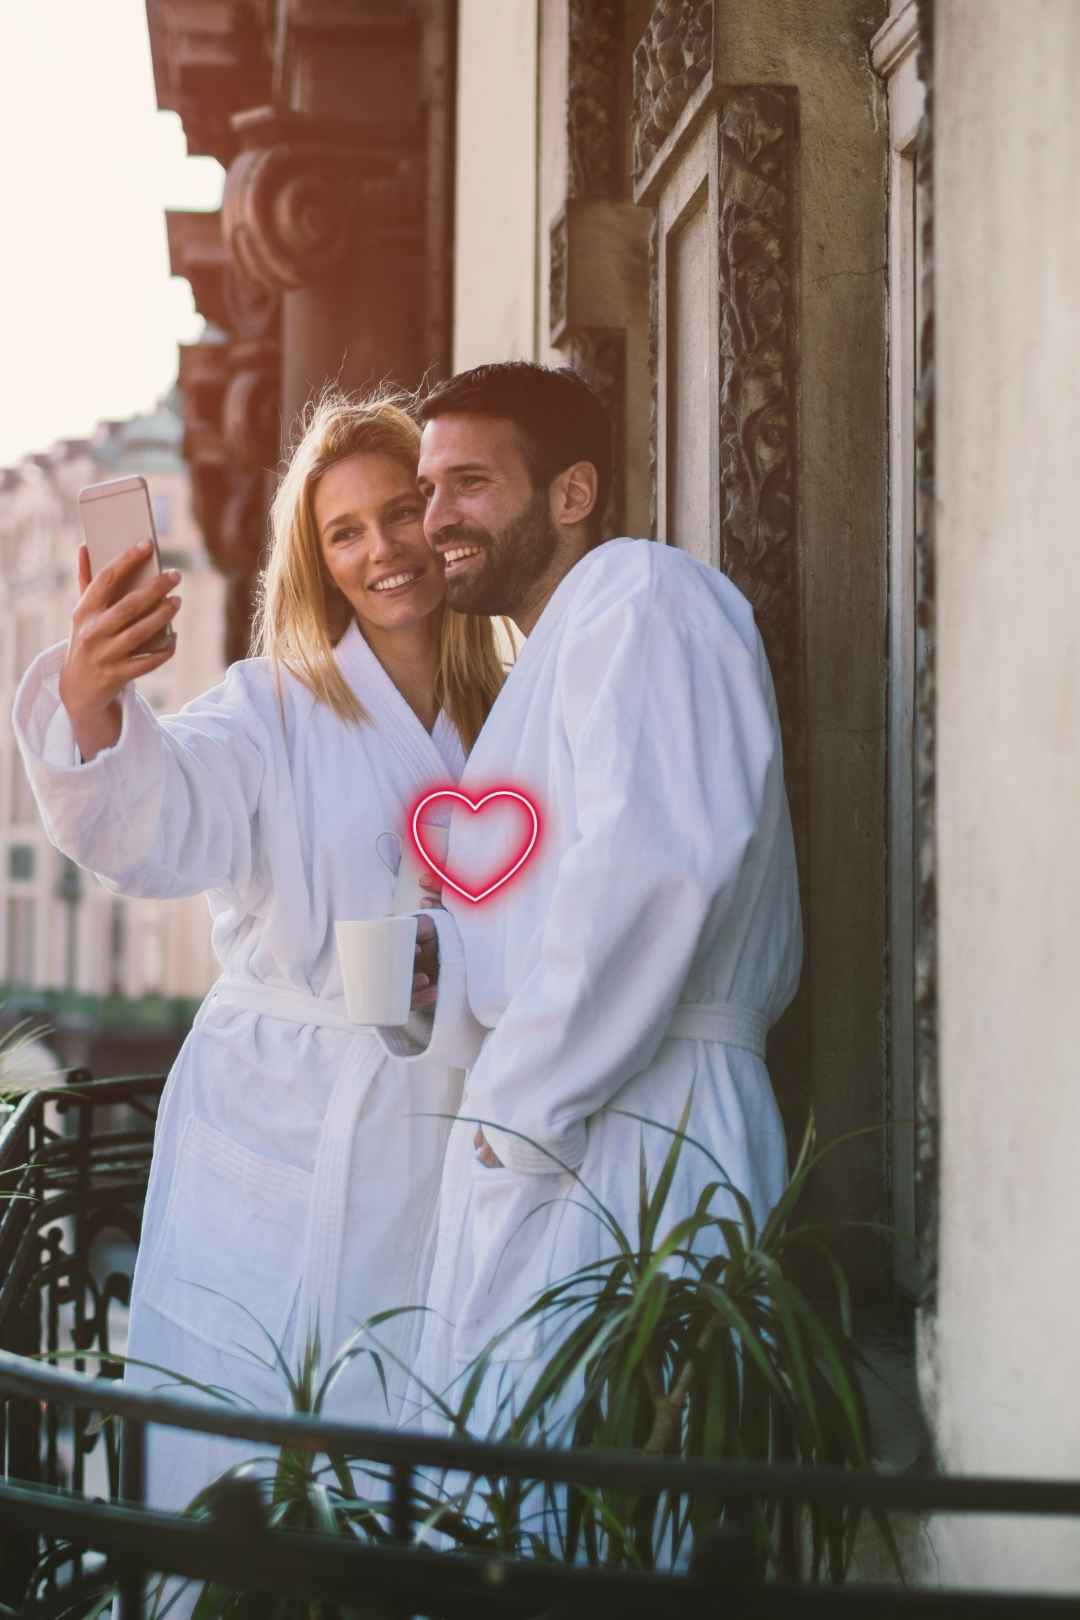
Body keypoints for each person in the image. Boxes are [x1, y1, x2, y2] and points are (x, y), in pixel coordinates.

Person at [11, 391, 504, 1550]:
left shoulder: (511, 708)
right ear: (317, 560)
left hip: (438, 1125)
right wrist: (91, 691)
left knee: (413, 1427)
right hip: (273, 1120)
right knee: (248, 1434)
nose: (382, 549)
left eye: (401, 512)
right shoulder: (271, 709)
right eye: (345, 532)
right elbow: (154, 821)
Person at [378, 361, 803, 1439]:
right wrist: (450, 958)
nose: (435, 522)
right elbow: (569, 893)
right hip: (568, 1113)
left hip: (638, 1119)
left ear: (570, 494)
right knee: (508, 1503)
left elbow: (652, 870)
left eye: (468, 483)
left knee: (595, 1514)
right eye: (427, 491)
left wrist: (516, 1115)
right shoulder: (550, 652)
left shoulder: (643, 595)